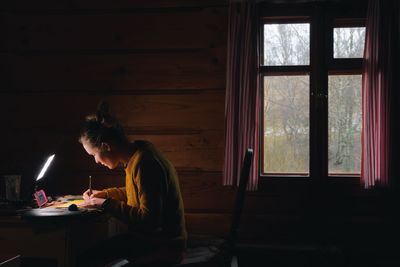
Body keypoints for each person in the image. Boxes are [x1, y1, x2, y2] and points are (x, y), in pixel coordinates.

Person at [76, 102, 187, 267]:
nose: (96, 161)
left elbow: (149, 220)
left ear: (106, 146)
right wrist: (105, 194)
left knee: (86, 259)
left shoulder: (145, 163)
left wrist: (106, 204)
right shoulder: (138, 154)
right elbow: (138, 192)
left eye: (94, 155)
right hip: (154, 241)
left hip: (164, 247)